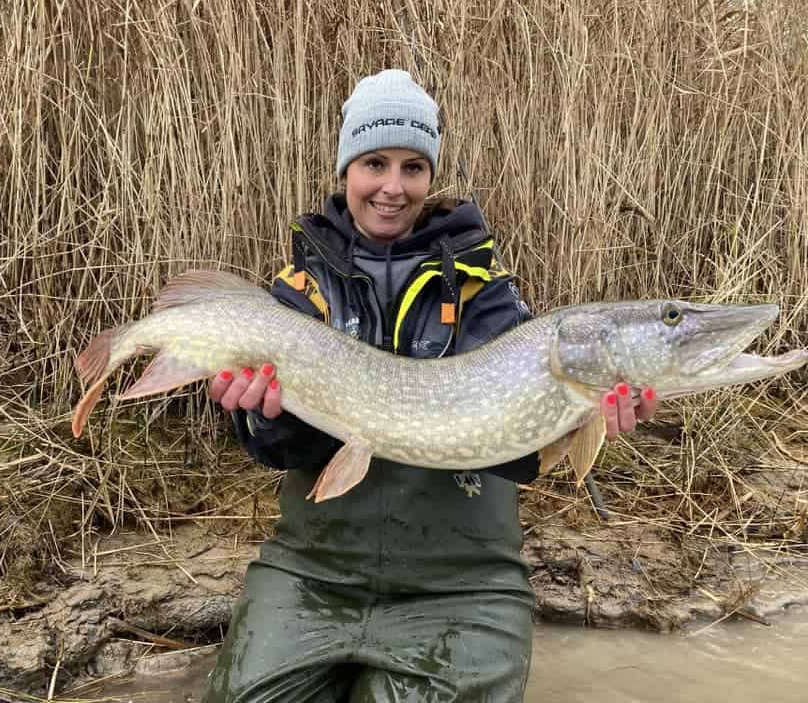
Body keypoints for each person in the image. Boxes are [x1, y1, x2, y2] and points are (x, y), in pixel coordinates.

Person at [202, 69, 656, 703]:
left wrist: (579, 414)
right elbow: (274, 450)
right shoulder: (299, 289)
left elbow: (517, 456)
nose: (392, 187)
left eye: (413, 167)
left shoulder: (482, 287)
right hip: (313, 569)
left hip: (463, 581)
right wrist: (262, 416)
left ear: (430, 177)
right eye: (374, 163)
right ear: (345, 170)